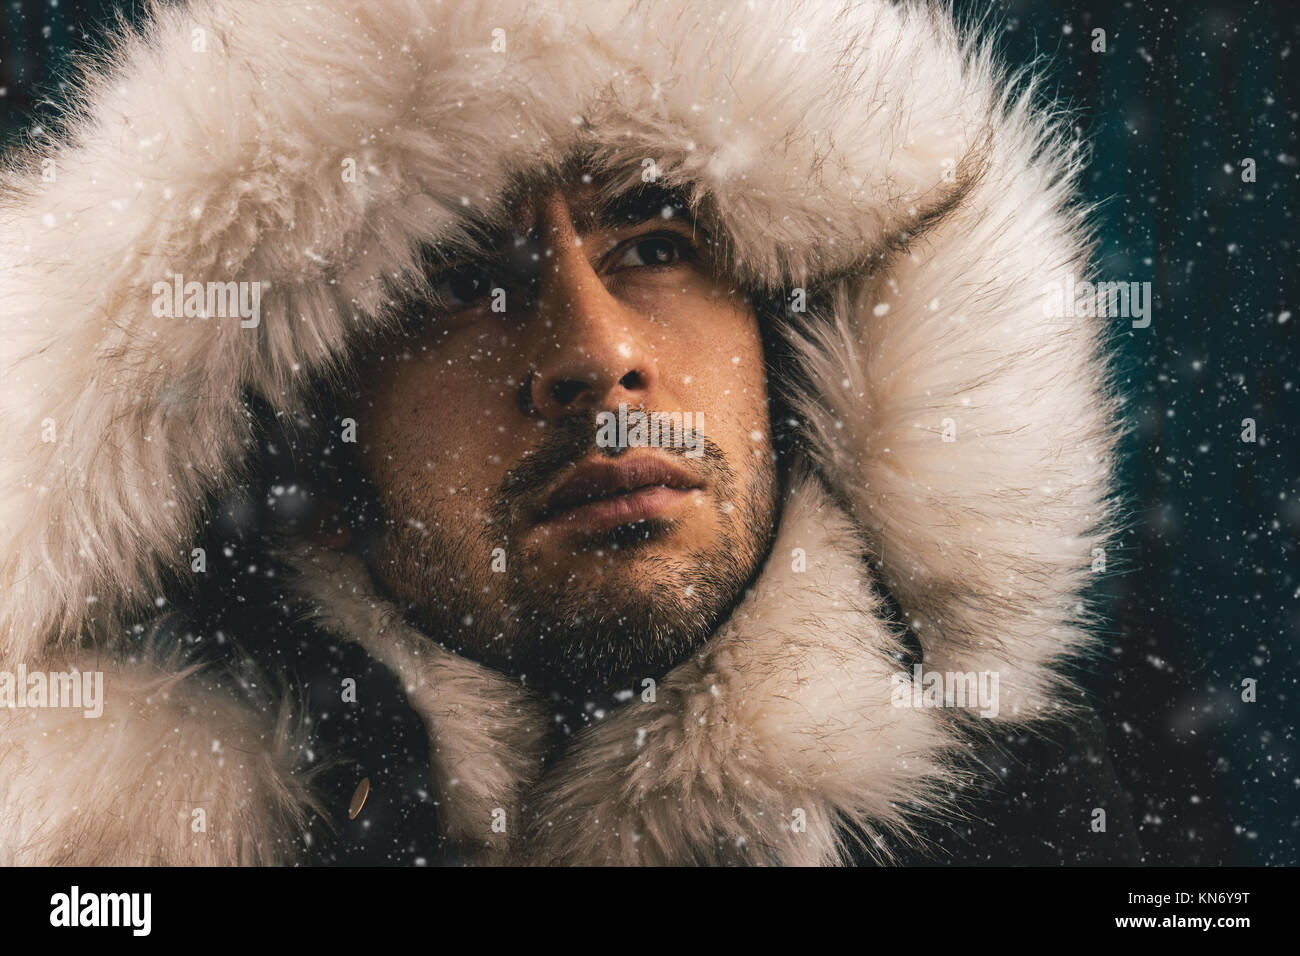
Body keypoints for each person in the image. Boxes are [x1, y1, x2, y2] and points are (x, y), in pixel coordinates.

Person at [0, 0, 1141, 865]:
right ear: (304, 436)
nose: (598, 353)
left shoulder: (1062, 815)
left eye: (653, 243)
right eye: (457, 282)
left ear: (793, 354)